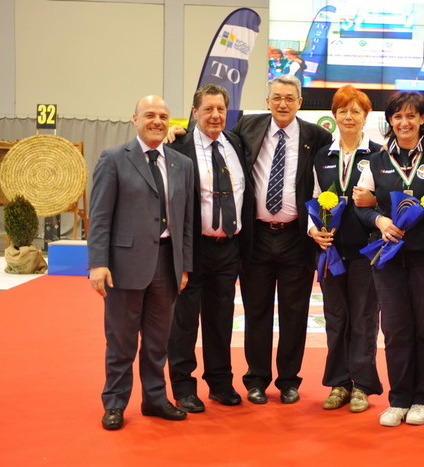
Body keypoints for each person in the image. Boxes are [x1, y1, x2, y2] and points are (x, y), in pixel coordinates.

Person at [88, 95, 194, 430]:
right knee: (121, 341)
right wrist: (97, 264)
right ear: (134, 119)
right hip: (123, 267)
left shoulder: (182, 164)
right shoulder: (114, 159)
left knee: (157, 342)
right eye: (150, 115)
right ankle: (115, 402)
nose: (157, 121)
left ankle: (155, 399)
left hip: (167, 265)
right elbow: (100, 216)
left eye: (163, 116)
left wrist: (185, 265)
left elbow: (186, 221)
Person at [231, 75, 332, 404]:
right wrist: (179, 137)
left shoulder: (317, 136)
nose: (283, 104)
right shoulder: (247, 127)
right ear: (267, 100)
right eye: (276, 98)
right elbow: (213, 143)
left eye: (290, 98)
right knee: (256, 311)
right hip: (256, 236)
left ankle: (289, 380)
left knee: (295, 312)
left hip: (296, 238)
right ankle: (256, 379)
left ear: (300, 103)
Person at [355, 91, 424, 427]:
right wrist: (380, 221)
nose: (404, 123)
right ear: (390, 121)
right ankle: (398, 399)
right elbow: (360, 205)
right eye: (397, 117)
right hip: (389, 259)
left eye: (411, 116)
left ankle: (421, 399)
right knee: (395, 329)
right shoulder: (376, 162)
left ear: (422, 119)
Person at [166, 84, 254, 413]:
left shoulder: (236, 143)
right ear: (194, 113)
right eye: (208, 109)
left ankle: (219, 383)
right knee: (185, 321)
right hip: (193, 248)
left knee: (221, 320)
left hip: (229, 247)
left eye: (220, 109)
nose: (215, 115)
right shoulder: (178, 147)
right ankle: (184, 386)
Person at [309, 85, 383, 413]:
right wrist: (314, 231)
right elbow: (309, 198)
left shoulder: (380, 156)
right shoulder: (322, 156)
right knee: (335, 317)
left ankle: (363, 385)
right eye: (342, 110)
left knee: (365, 319)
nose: (348, 117)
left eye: (355, 111)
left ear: (366, 116)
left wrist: (377, 201)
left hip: (367, 251)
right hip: (331, 251)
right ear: (334, 115)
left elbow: (391, 199)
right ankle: (339, 383)